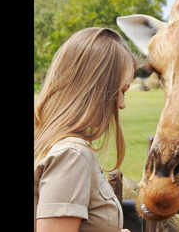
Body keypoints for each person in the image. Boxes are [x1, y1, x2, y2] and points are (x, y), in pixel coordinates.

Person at [34, 27, 137, 232]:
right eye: (121, 91)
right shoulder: (72, 155)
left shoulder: (53, 145)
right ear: (97, 90)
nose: (122, 104)